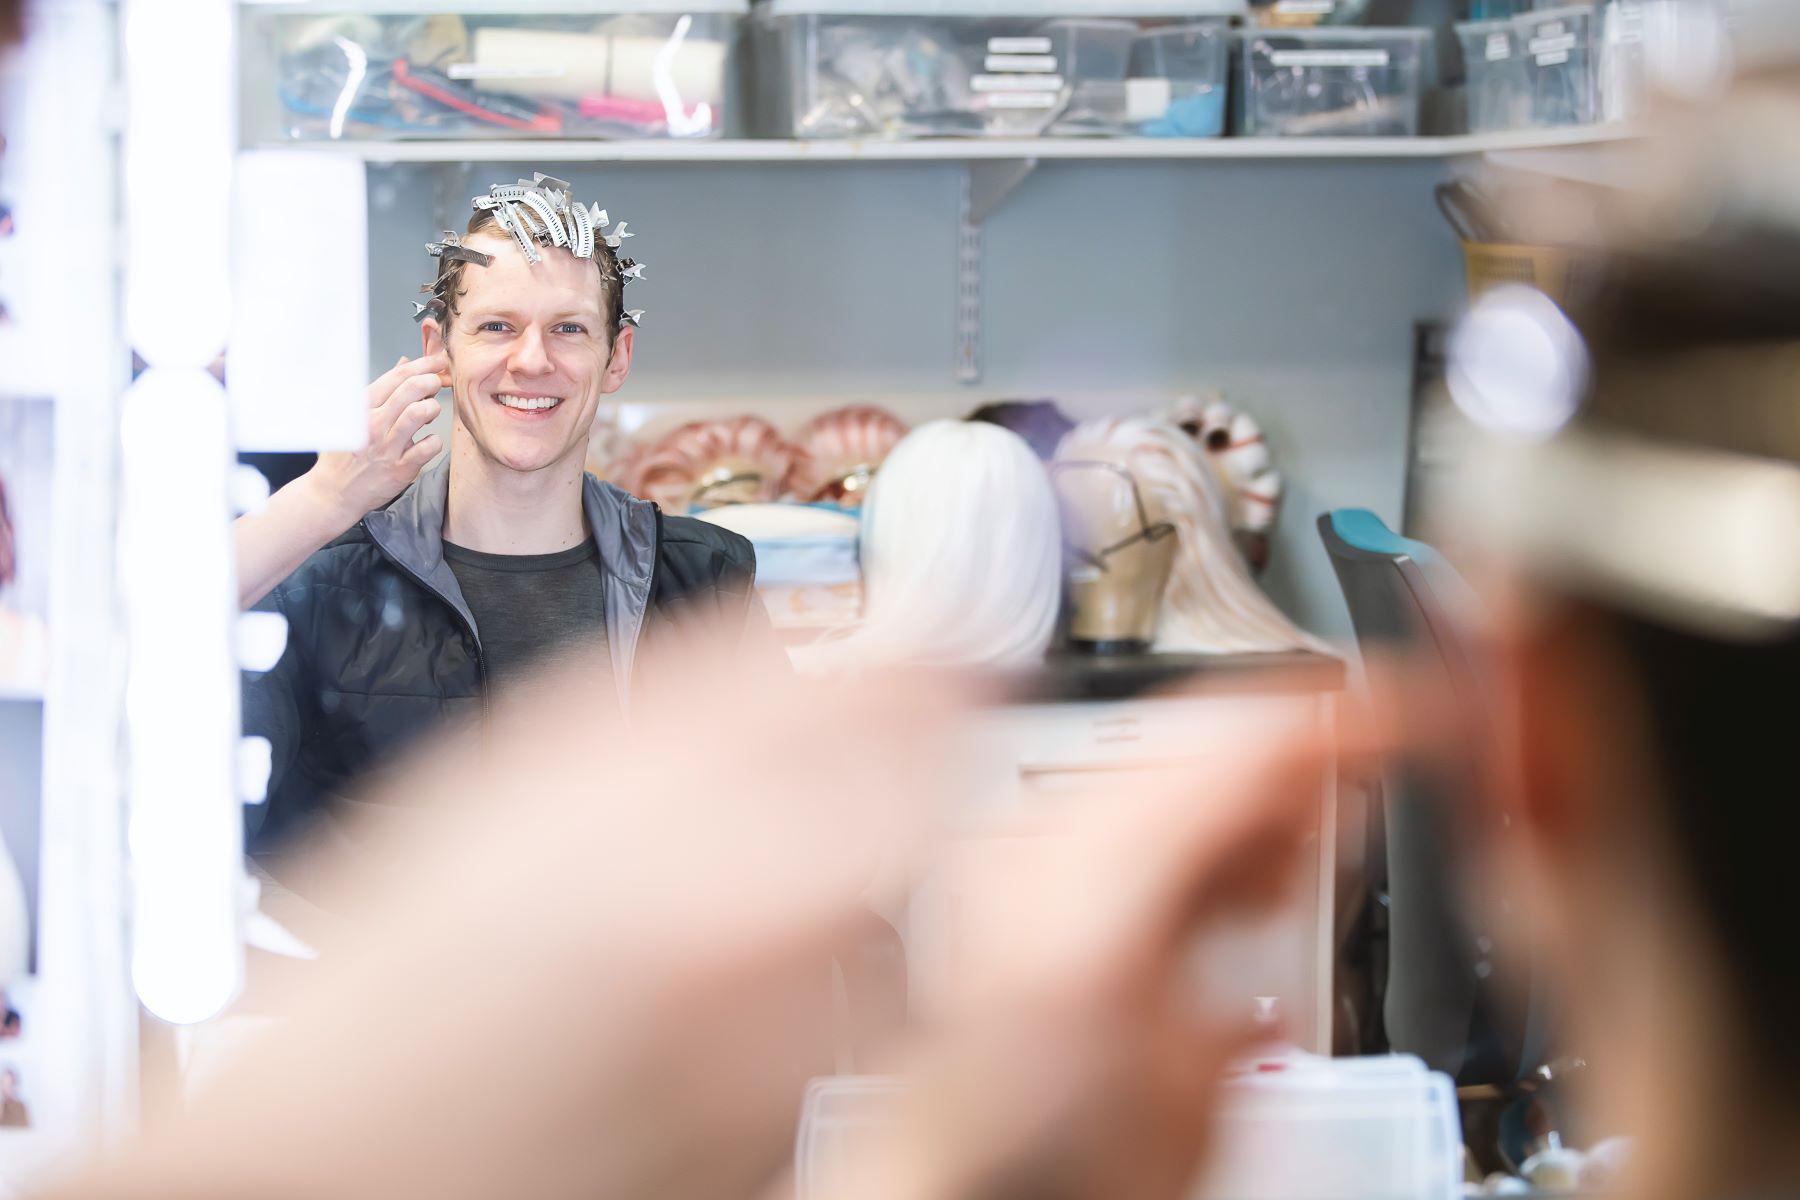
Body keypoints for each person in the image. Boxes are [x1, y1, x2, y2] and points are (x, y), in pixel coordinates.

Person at [238, 175, 776, 866]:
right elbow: (152, 682)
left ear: (617, 357)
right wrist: (323, 499)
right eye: (497, 326)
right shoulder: (321, 582)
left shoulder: (708, 582)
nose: (532, 360)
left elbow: (791, 841)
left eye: (568, 329)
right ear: (438, 348)